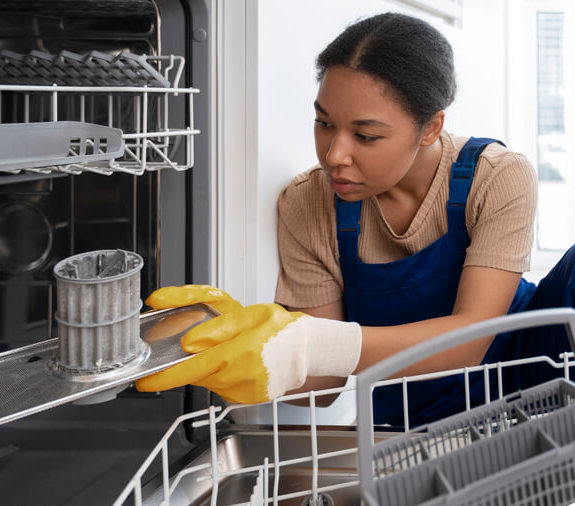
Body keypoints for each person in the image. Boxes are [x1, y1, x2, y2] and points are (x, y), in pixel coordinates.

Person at [135, 12, 575, 427]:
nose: (334, 155)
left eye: (365, 136)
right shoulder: (309, 203)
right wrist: (240, 357)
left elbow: (470, 339)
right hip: (410, 418)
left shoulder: (496, 175)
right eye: (323, 123)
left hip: (531, 375)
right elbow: (325, 387)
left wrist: (307, 342)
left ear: (430, 127)